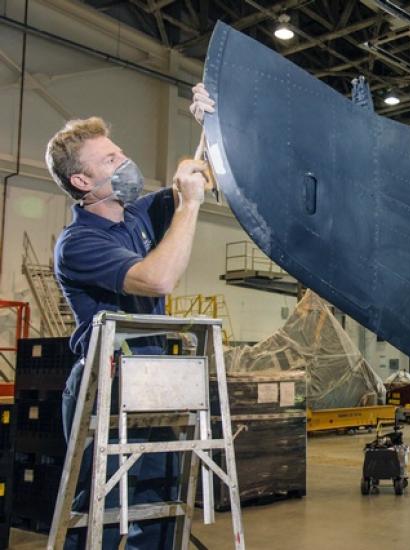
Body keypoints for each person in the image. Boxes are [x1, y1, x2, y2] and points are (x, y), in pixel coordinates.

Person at [47, 82, 215, 549]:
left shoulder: (138, 217)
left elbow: (191, 173)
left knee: (159, 502)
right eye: (109, 161)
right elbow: (156, 279)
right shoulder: (79, 243)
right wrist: (191, 206)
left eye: (119, 153)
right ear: (82, 181)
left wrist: (211, 127)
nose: (125, 164)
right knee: (101, 509)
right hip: (107, 382)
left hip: (153, 380)